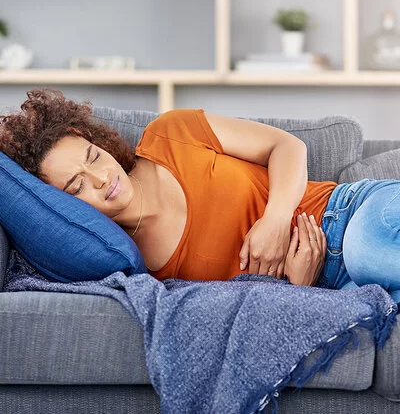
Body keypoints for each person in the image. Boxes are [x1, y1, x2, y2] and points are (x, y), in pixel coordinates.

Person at [0, 88, 399, 304]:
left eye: (93, 157)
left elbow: (288, 147)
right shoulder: (136, 269)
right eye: (76, 186)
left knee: (366, 250)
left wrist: (276, 220)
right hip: (336, 282)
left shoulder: (171, 133)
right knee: (375, 307)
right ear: (59, 204)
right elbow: (242, 304)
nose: (102, 178)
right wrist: (300, 290)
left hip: (349, 213)